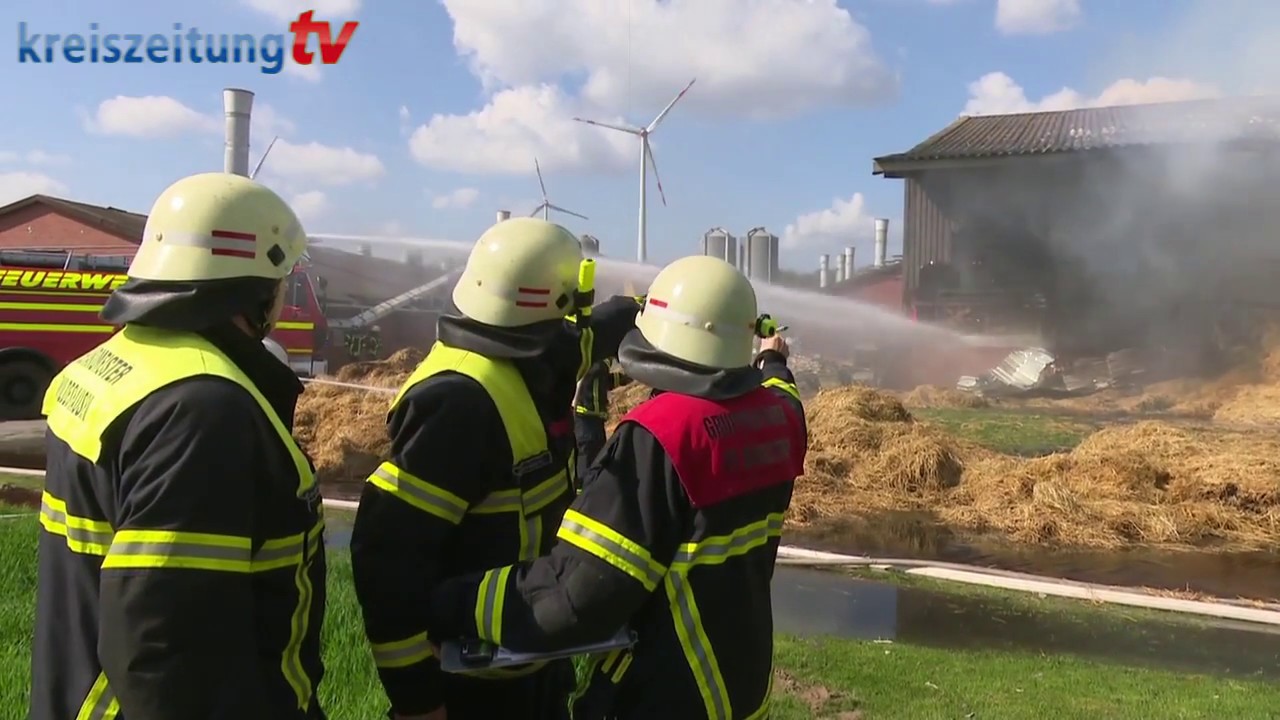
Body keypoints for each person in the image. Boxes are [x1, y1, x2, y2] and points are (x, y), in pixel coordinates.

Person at [423, 254, 808, 720]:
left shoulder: (661, 436)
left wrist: (451, 602)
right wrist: (770, 358)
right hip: (740, 690)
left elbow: (574, 597)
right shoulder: (780, 416)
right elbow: (781, 387)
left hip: (666, 695)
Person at [31, 172, 327, 719]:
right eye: (283, 276)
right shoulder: (202, 412)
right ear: (257, 287)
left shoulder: (116, 366)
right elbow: (164, 650)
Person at [350, 217, 643, 720]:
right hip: (470, 687)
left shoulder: (526, 352)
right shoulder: (458, 402)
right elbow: (387, 560)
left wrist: (636, 312)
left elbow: (579, 341)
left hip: (528, 664)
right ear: (557, 308)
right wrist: (418, 701)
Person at [571, 358, 634, 484]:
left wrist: (621, 378)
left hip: (595, 419)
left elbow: (600, 381)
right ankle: (583, 495)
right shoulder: (593, 359)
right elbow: (589, 377)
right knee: (588, 458)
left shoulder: (599, 361)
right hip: (585, 418)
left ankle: (593, 490)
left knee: (597, 457)